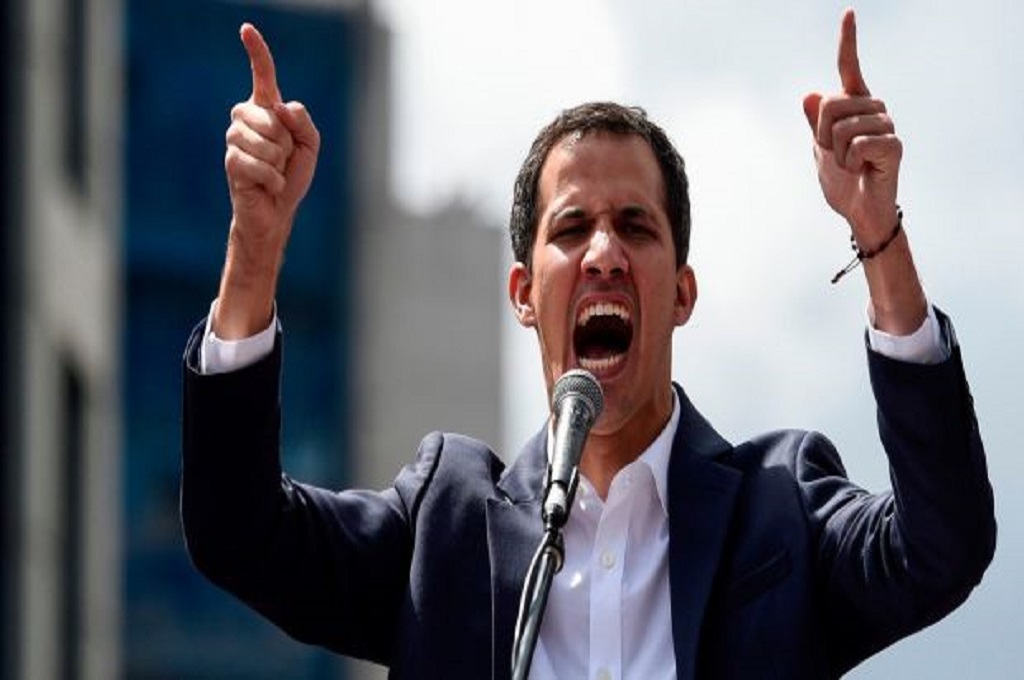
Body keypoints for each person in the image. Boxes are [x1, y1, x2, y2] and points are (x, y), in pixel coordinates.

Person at [181, 9, 995, 679]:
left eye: (635, 226)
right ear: (525, 295)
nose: (605, 251)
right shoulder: (447, 527)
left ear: (680, 293)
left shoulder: (778, 508)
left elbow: (941, 549)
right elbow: (239, 534)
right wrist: (255, 247)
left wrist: (877, 235)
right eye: (573, 228)